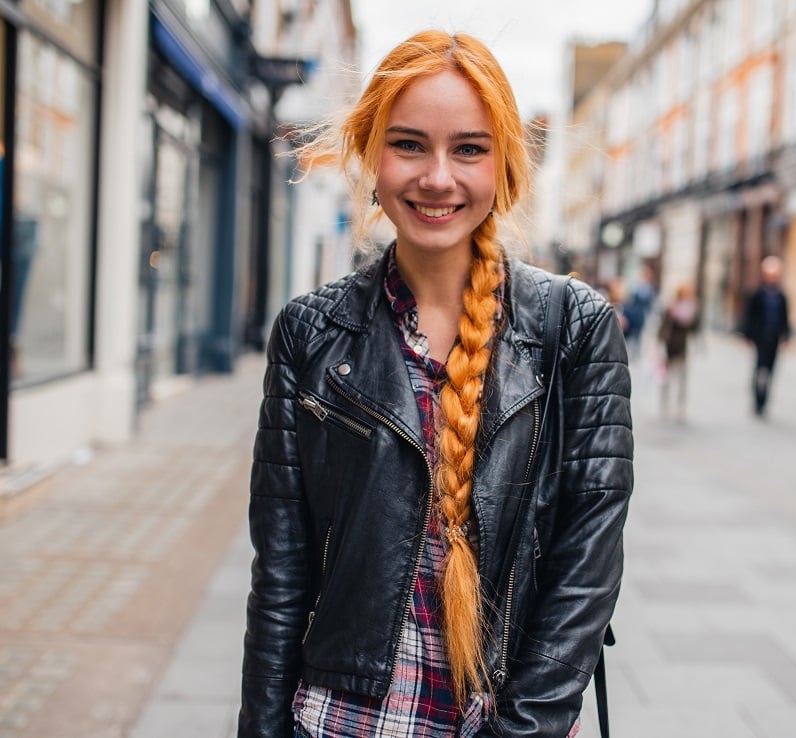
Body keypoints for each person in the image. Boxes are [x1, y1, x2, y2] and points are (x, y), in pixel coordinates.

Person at [239, 30, 634, 738]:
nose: (438, 177)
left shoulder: (575, 329)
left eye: (470, 149)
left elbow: (586, 572)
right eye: (410, 144)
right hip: (341, 723)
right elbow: (281, 580)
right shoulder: (310, 335)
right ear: (369, 153)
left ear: (504, 165)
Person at [740, 255, 790, 417]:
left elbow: (785, 318)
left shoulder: (781, 296)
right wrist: (748, 336)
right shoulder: (757, 294)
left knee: (770, 370)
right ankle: (757, 399)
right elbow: (750, 316)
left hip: (774, 337)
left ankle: (764, 401)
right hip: (760, 337)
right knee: (760, 369)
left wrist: (786, 336)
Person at [657, 282, 700, 420]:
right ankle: (665, 404)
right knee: (666, 378)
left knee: (682, 379)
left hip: (683, 348)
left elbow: (695, 328)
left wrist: (692, 319)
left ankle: (680, 406)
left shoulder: (691, 309)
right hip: (670, 347)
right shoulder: (671, 308)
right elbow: (663, 328)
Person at [623, 265, 656, 357]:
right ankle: (631, 349)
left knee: (639, 334)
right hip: (634, 313)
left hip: (642, 314)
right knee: (632, 332)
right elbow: (631, 299)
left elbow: (650, 304)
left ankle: (636, 351)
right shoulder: (637, 286)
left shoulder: (649, 288)